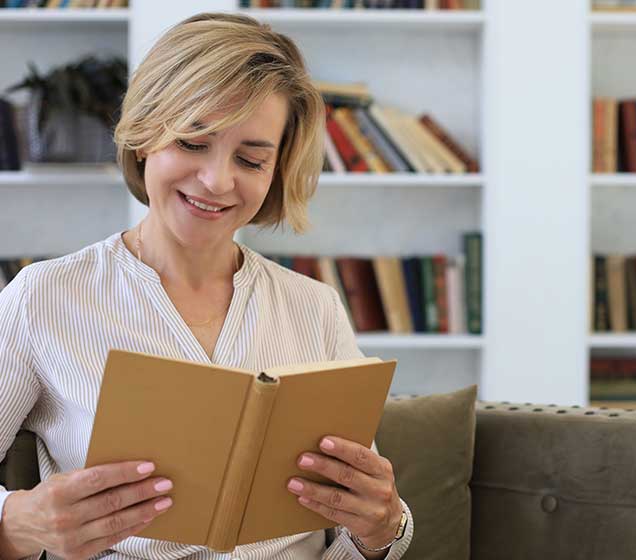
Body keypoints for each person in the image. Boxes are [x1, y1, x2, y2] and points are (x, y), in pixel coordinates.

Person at [0, 12, 412, 560]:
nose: (218, 181)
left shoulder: (315, 308)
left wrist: (383, 530)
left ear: (275, 171)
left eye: (251, 158)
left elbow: (355, 527)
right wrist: (17, 524)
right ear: (145, 137)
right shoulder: (44, 297)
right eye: (193, 142)